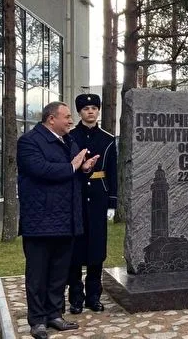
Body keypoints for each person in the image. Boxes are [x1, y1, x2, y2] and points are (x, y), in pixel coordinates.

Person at [17, 101, 99, 339]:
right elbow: (41, 170)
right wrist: (72, 166)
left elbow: (70, 173)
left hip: (67, 220)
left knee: (58, 273)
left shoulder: (68, 141)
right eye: (67, 117)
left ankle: (54, 315)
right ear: (51, 119)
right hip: (40, 221)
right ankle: (38, 321)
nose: (71, 121)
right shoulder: (29, 142)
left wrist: (83, 168)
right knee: (38, 274)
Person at [67, 94, 117, 314]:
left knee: (97, 248)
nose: (90, 112)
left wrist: (112, 202)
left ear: (98, 111)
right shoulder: (70, 136)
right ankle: (76, 298)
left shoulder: (108, 139)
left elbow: (113, 172)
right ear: (79, 112)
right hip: (76, 196)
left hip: (98, 197)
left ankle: (94, 296)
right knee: (76, 249)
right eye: (86, 108)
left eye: (94, 108)